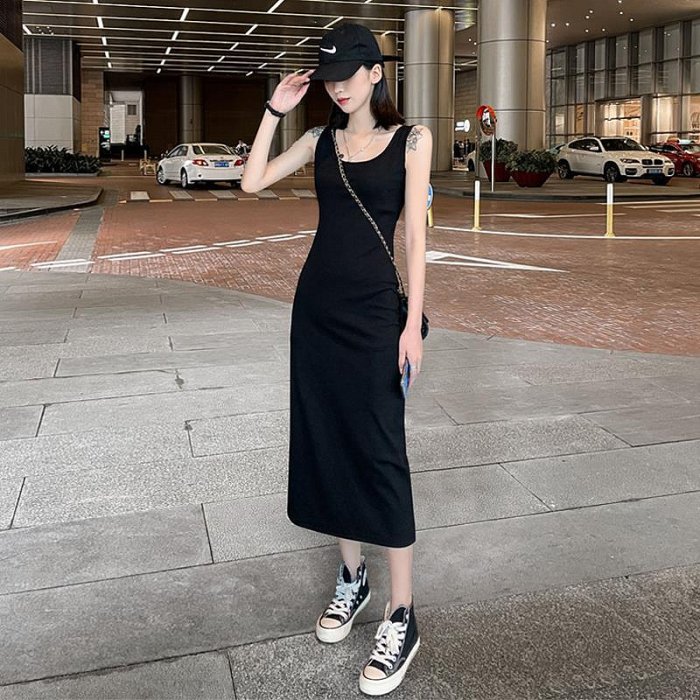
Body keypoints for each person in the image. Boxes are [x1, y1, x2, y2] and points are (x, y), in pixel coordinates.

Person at [241, 21, 430, 697]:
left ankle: (402, 614)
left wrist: (412, 326)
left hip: (377, 316)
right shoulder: (319, 141)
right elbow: (252, 182)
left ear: (376, 73)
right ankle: (353, 577)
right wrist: (274, 111)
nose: (338, 89)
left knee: (381, 451)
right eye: (329, 80)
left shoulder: (412, 141)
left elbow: (416, 240)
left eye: (348, 76)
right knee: (328, 441)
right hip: (317, 313)